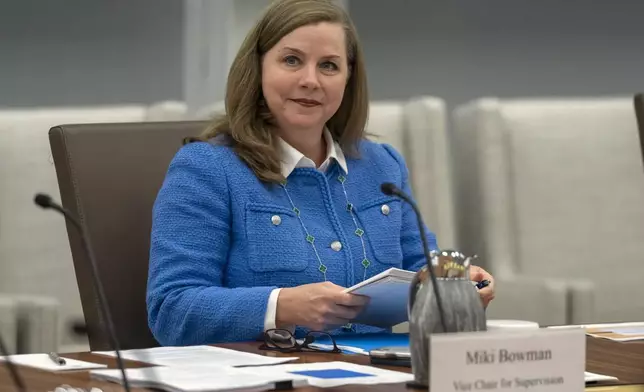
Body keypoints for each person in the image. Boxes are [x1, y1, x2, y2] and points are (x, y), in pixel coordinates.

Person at [146, 0, 495, 346]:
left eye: (329, 65)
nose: (310, 80)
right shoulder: (206, 169)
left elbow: (421, 266)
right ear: (258, 69)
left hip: (381, 374)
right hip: (270, 376)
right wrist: (281, 306)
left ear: (348, 78)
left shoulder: (383, 164)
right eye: (292, 60)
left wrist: (455, 283)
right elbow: (171, 309)